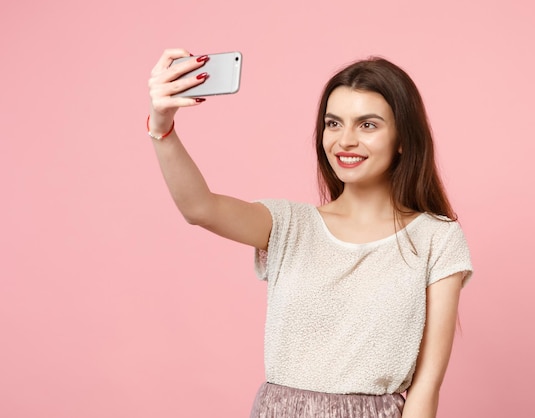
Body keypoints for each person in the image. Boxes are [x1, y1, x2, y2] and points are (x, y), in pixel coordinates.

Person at [147, 48, 473, 418]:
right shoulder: (290, 225)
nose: (345, 140)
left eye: (368, 125)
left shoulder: (437, 237)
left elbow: (427, 384)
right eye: (333, 124)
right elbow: (199, 208)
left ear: (402, 139)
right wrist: (162, 128)